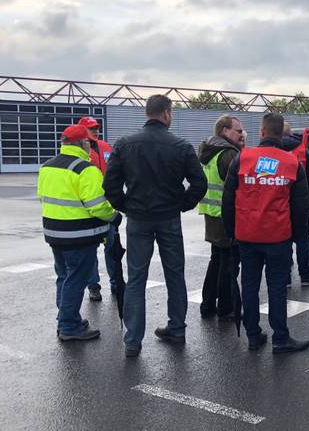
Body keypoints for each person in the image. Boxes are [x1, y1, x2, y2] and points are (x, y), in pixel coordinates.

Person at [103, 94, 207, 357]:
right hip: (168, 218)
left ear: (147, 113)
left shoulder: (124, 145)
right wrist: (181, 204)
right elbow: (199, 184)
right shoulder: (181, 146)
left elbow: (110, 186)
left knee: (136, 278)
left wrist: (126, 205)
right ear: (166, 114)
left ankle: (132, 341)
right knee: (175, 274)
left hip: (138, 219)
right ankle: (177, 329)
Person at [222, 112, 309, 354]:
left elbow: (228, 200)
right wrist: (298, 238)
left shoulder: (242, 159)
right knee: (277, 288)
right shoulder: (292, 163)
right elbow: (301, 207)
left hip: (247, 235)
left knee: (250, 285)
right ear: (282, 133)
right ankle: (280, 338)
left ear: (261, 132)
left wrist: (232, 233)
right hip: (278, 236)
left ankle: (253, 334)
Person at [38, 124, 120, 341]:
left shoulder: (47, 167)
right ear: (83, 143)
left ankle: (67, 317)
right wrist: (114, 216)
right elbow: (97, 205)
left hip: (54, 233)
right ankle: (69, 326)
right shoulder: (85, 169)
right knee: (76, 279)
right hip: (78, 235)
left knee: (63, 276)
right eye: (88, 143)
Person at [198, 115, 244, 320]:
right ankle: (226, 307)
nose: (241, 134)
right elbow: (239, 187)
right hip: (226, 216)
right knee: (228, 264)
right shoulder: (227, 154)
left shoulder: (209, 151)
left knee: (217, 261)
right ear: (225, 131)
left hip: (211, 214)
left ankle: (207, 304)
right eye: (238, 130)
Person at [78, 116, 117, 302]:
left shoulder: (106, 147)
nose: (96, 130)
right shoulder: (78, 153)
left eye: (97, 127)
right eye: (91, 128)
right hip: (88, 209)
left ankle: (116, 282)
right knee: (91, 250)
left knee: (112, 247)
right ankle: (93, 286)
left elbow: (115, 171)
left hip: (107, 204)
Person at [281, 121, 309, 288]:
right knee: (302, 238)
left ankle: (286, 276)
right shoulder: (302, 149)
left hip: (281, 200)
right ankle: (305, 274)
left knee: (284, 238)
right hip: (301, 199)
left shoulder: (275, 150)